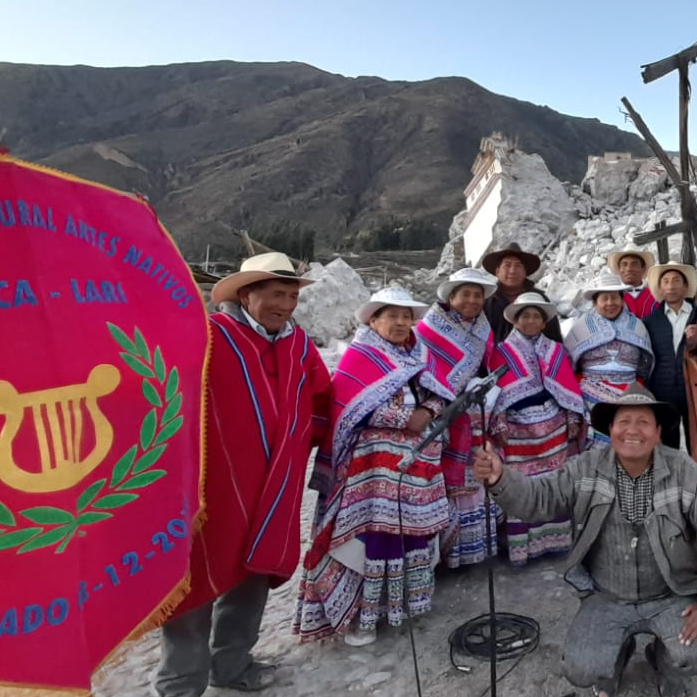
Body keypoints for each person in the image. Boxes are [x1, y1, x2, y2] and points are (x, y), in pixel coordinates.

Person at [472, 385, 697, 697]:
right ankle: (617, 655)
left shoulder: (685, 472)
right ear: (611, 430)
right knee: (580, 669)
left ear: (657, 433)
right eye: (623, 422)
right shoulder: (586, 467)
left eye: (643, 422)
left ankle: (664, 660)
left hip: (672, 595)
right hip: (607, 597)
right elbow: (539, 499)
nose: (632, 431)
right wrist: (500, 478)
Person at [156, 252, 332, 697]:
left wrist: (300, 442)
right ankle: (180, 685)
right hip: (211, 491)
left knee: (252, 577)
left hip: (274, 490)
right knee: (193, 586)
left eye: (292, 296)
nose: (285, 305)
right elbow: (165, 391)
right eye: (276, 294)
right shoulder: (208, 336)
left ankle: (232, 665)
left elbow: (321, 400)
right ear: (247, 294)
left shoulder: (299, 345)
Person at [295, 288, 451, 646]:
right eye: (392, 315)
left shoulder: (420, 353)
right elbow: (350, 408)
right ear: (373, 320)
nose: (401, 322)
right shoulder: (359, 357)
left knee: (410, 535)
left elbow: (440, 393)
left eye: (406, 316)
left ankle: (401, 606)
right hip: (372, 473)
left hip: (417, 468)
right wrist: (404, 419)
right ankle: (360, 617)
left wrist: (425, 412)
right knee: (371, 539)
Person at [487, 292, 590, 565]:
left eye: (536, 316)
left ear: (544, 323)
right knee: (522, 485)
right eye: (525, 316)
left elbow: (568, 387)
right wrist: (499, 423)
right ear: (515, 320)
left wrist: (573, 419)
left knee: (555, 482)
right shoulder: (501, 351)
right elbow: (496, 393)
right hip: (517, 430)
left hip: (554, 426)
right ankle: (524, 547)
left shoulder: (555, 350)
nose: (531, 321)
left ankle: (556, 541)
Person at [415, 267, 500, 569]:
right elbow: (418, 367)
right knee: (438, 481)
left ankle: (470, 550)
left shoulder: (483, 329)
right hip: (435, 413)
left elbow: (489, 365)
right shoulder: (428, 328)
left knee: (472, 479)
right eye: (465, 294)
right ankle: (443, 554)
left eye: (478, 295)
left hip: (472, 414)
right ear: (451, 297)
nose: (472, 300)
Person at [564, 272, 654, 447]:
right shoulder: (581, 327)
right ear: (595, 302)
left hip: (630, 394)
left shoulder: (637, 325)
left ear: (622, 299)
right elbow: (569, 364)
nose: (610, 303)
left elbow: (645, 363)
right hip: (590, 397)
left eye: (614, 297)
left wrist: (638, 387)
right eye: (604, 298)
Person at [641, 261, 697, 449]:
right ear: (660, 288)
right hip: (662, 389)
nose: (671, 286)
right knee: (667, 443)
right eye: (665, 281)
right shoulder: (650, 322)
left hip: (696, 389)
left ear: (685, 286)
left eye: (676, 281)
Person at [480, 242, 562, 343]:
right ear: (497, 272)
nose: (512, 271)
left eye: (518, 266)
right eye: (507, 265)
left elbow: (554, 336)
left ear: (525, 272)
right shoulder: (487, 302)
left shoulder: (540, 299)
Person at [608, 245, 659, 319]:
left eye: (634, 264)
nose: (629, 269)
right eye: (624, 264)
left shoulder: (656, 297)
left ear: (643, 268)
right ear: (619, 269)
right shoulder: (611, 297)